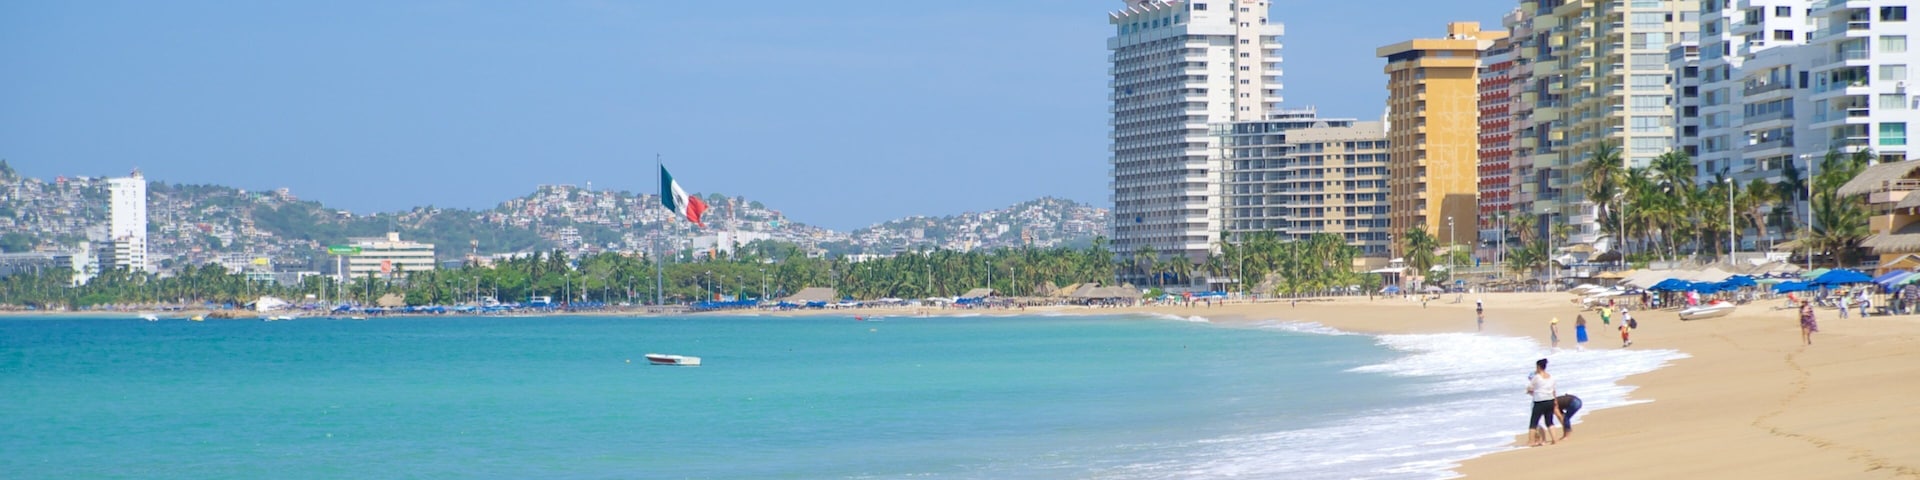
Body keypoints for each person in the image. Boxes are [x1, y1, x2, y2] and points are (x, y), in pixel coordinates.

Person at [1526, 358, 1557, 446]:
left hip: (1539, 401)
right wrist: (1555, 401)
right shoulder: (1551, 377)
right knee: (1549, 421)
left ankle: (1531, 441)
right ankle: (1554, 439)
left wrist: (1531, 392)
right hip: (1550, 400)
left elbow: (1529, 388)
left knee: (1533, 422)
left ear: (1538, 367)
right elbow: (1553, 390)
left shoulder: (1537, 377)